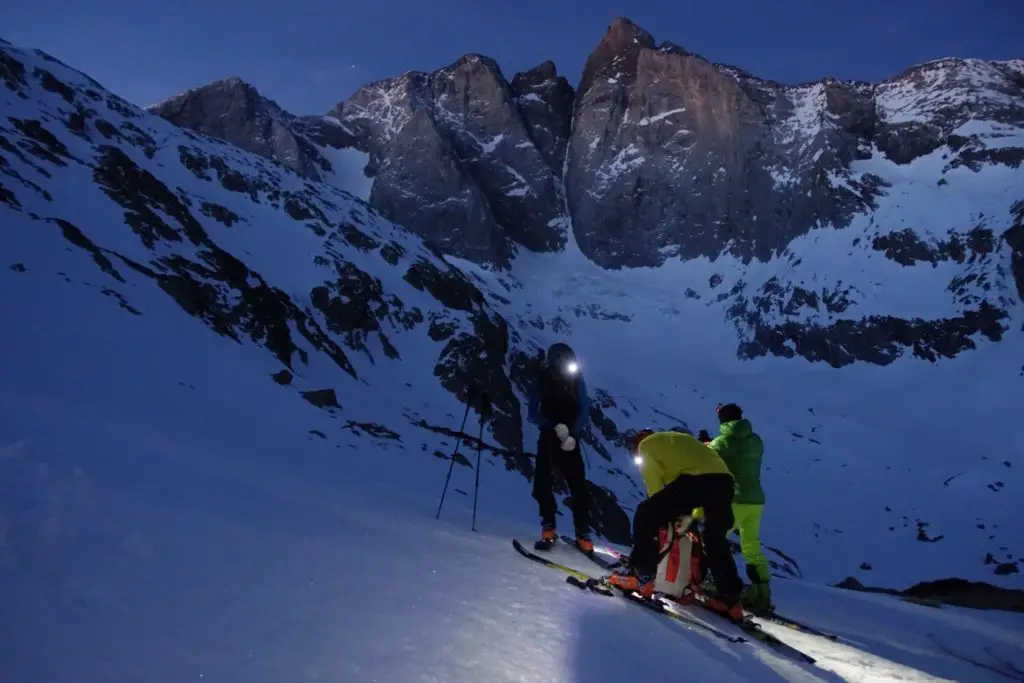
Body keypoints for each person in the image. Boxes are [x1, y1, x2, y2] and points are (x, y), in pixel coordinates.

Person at [607, 429, 745, 623]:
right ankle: (731, 600)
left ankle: (641, 576)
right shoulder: (674, 442)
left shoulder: (646, 447)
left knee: (646, 513)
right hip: (724, 481)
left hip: (697, 480)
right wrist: (684, 516)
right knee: (714, 538)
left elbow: (655, 490)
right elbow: (682, 493)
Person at [527, 342, 592, 553]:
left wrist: (570, 431)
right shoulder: (543, 379)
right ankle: (572, 534)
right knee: (549, 483)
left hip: (564, 437)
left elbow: (584, 410)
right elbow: (533, 412)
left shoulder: (571, 380)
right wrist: (556, 427)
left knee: (572, 485)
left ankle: (570, 533)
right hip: (553, 437)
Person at [707, 403, 772, 612]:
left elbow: (708, 456)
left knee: (714, 540)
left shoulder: (721, 442)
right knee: (751, 546)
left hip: (735, 498)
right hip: (756, 499)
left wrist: (705, 444)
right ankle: (761, 593)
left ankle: (717, 584)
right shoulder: (756, 441)